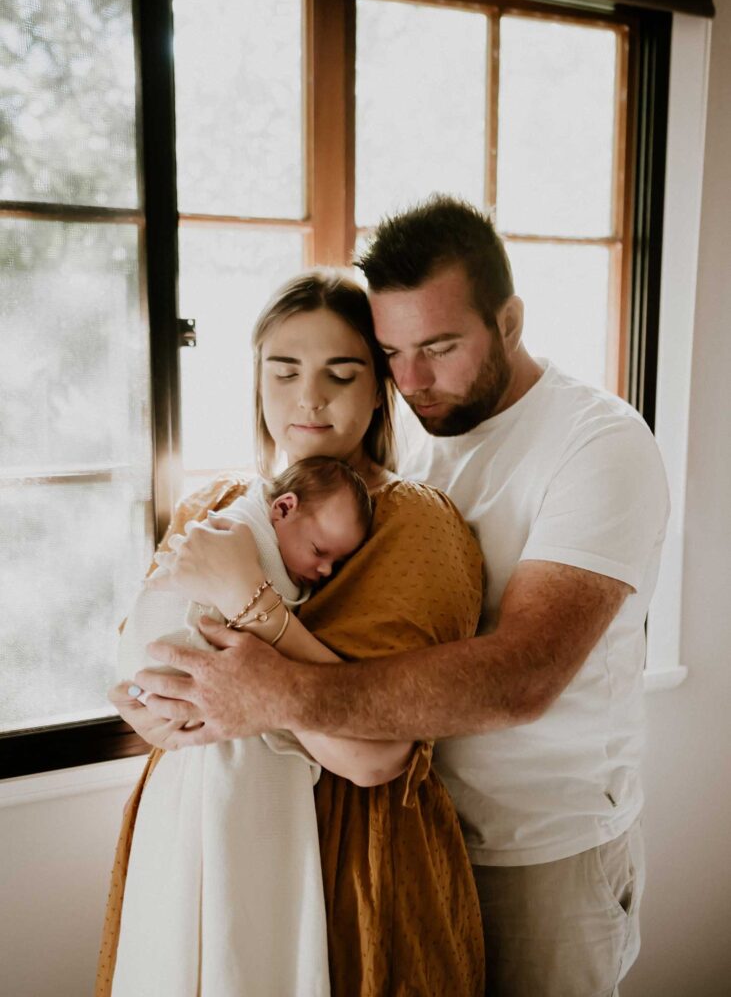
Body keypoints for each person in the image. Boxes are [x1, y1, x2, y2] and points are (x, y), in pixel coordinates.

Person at [113, 196, 670, 997]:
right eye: (391, 353)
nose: (410, 380)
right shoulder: (404, 442)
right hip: (404, 832)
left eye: (439, 347)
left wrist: (274, 689)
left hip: (535, 844)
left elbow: (523, 676)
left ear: (508, 321)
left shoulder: (597, 446)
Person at [98, 269, 485, 997]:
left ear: (380, 388)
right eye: (284, 372)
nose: (308, 397)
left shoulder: (415, 523)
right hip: (196, 832)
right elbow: (146, 665)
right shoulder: (214, 501)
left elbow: (372, 760)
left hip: (351, 852)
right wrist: (151, 705)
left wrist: (255, 611)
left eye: (340, 374)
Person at [110, 456, 371, 997]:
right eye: (320, 553)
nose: (322, 574)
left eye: (336, 565)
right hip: (187, 727)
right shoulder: (239, 530)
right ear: (281, 508)